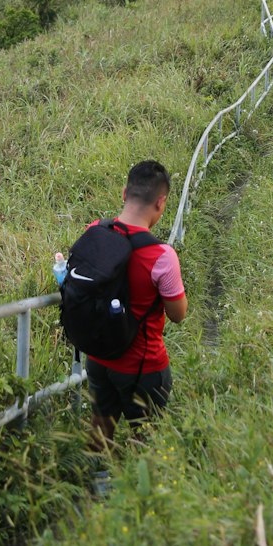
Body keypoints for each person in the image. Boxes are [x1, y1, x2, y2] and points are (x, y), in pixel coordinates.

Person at [84, 159, 188, 446]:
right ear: (161, 202)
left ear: (123, 193)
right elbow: (178, 314)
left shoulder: (95, 231)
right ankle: (140, 487)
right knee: (148, 440)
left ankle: (97, 481)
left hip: (98, 359)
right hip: (144, 366)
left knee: (100, 430)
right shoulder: (162, 256)